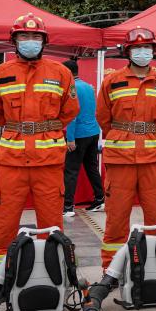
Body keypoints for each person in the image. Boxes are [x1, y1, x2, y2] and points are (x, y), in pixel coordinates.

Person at [0, 14, 79, 277]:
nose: (30, 41)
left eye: (36, 36)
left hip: (48, 161)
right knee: (4, 224)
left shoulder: (61, 73)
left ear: (44, 41)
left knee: (52, 224)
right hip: (11, 162)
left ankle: (54, 276)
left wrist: (43, 129)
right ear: (14, 40)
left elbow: (70, 110)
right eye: (24, 36)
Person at [96, 28, 156, 266]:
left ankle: (155, 269)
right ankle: (111, 270)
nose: (143, 52)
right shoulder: (112, 82)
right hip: (121, 159)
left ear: (153, 51)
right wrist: (123, 135)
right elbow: (103, 117)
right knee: (116, 218)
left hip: (154, 158)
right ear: (128, 52)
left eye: (147, 47)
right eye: (137, 48)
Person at [62, 59, 104, 215]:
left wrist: (70, 138)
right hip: (93, 132)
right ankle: (99, 199)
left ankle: (68, 207)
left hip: (79, 134)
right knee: (91, 167)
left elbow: (72, 114)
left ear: (67, 72)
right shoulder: (88, 87)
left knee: (71, 170)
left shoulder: (71, 88)